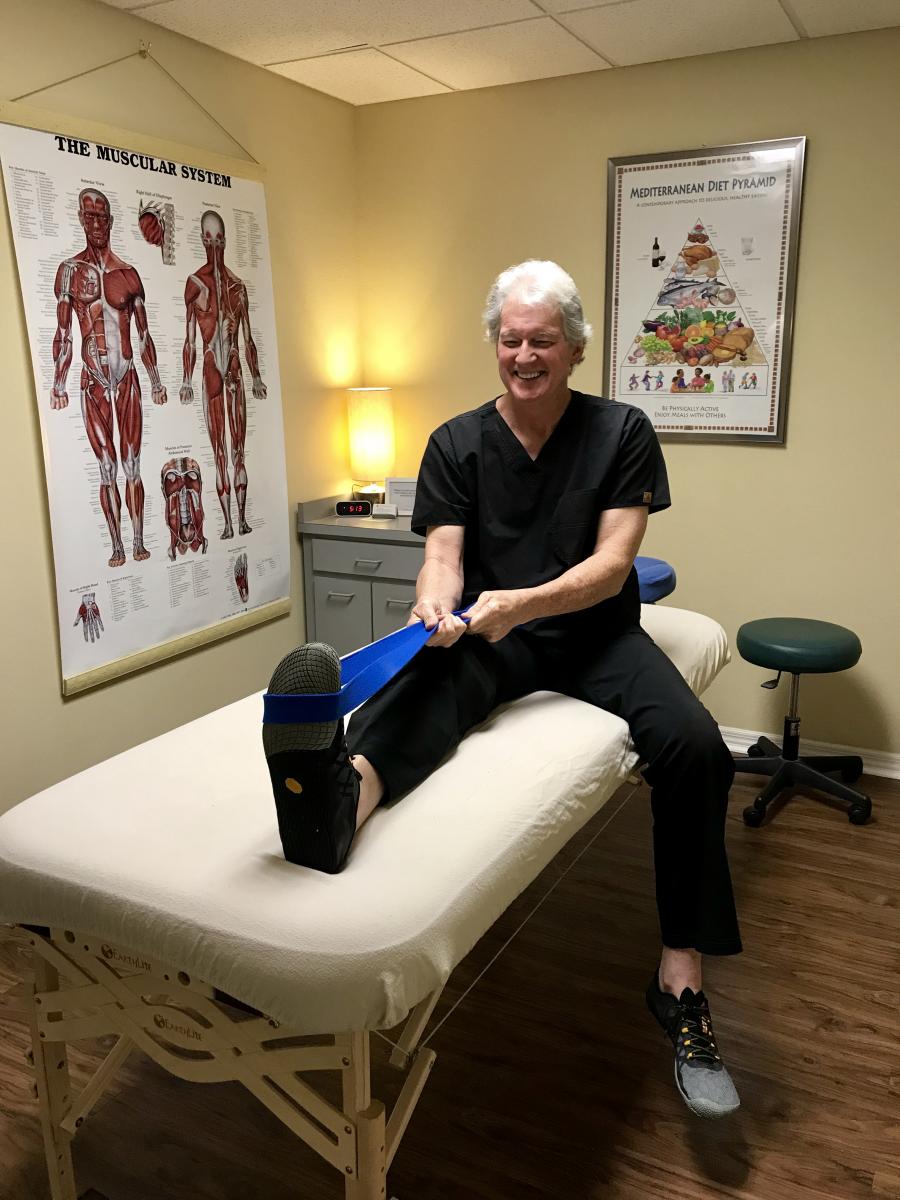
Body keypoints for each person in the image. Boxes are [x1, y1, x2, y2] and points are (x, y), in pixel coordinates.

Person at [264, 261, 741, 1120]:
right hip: (490, 629)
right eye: (511, 339)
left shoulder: (621, 429)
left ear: (575, 347)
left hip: (594, 632)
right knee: (423, 689)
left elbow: (610, 568)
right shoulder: (454, 441)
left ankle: (681, 974)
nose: (525, 355)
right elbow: (444, 552)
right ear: (495, 344)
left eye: (543, 340)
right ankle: (340, 800)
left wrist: (521, 603)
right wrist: (434, 602)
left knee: (696, 746)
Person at [51, 188, 167, 566]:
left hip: (128, 376)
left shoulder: (128, 275)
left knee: (132, 464)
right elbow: (65, 333)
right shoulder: (70, 272)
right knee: (107, 467)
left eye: (103, 217)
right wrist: (58, 383)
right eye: (90, 217)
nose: (97, 224)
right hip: (93, 381)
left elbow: (143, 334)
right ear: (82, 220)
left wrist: (156, 380)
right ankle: (117, 545)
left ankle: (137, 541)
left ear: (111, 222)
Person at [179, 211, 267, 539]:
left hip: (234, 369)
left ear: (225, 241)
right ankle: (229, 523)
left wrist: (256, 376)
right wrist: (186, 380)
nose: (214, 245)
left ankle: (241, 520)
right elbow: (189, 338)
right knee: (219, 453)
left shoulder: (238, 287)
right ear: (202, 239)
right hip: (211, 371)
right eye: (208, 238)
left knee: (238, 451)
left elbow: (248, 338)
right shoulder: (195, 284)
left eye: (219, 239)